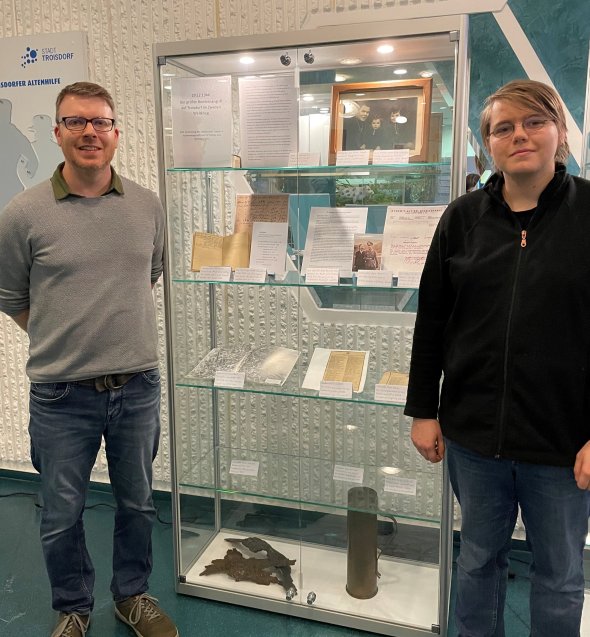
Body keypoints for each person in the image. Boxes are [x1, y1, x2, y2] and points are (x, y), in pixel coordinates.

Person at [404, 79, 590, 637]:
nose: (519, 136)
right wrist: (424, 410)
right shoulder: (461, 219)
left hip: (563, 444)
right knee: (478, 562)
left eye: (534, 122)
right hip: (474, 440)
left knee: (560, 576)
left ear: (558, 132)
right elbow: (432, 321)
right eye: (503, 128)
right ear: (487, 143)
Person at [0, 82, 177, 637]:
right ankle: (73, 609)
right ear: (57, 133)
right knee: (61, 514)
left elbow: (149, 275)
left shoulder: (148, 206)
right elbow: (10, 296)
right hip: (60, 394)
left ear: (116, 133)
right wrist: (63, 337)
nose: (89, 132)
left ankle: (132, 596)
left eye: (100, 122)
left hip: (137, 388)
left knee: (138, 505)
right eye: (75, 122)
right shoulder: (23, 214)